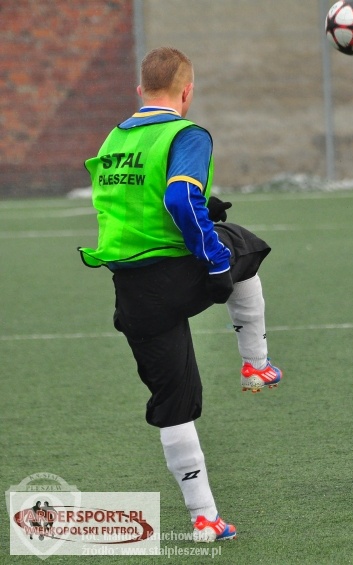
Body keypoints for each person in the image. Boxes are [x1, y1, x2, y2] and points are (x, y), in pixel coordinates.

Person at [78, 47, 282, 542]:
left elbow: (139, 198)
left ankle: (204, 519)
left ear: (140, 91)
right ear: (187, 91)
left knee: (174, 402)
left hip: (132, 290)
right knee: (245, 246)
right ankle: (255, 364)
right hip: (176, 274)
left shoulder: (114, 137)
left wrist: (201, 207)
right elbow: (177, 196)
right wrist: (214, 260)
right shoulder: (186, 133)